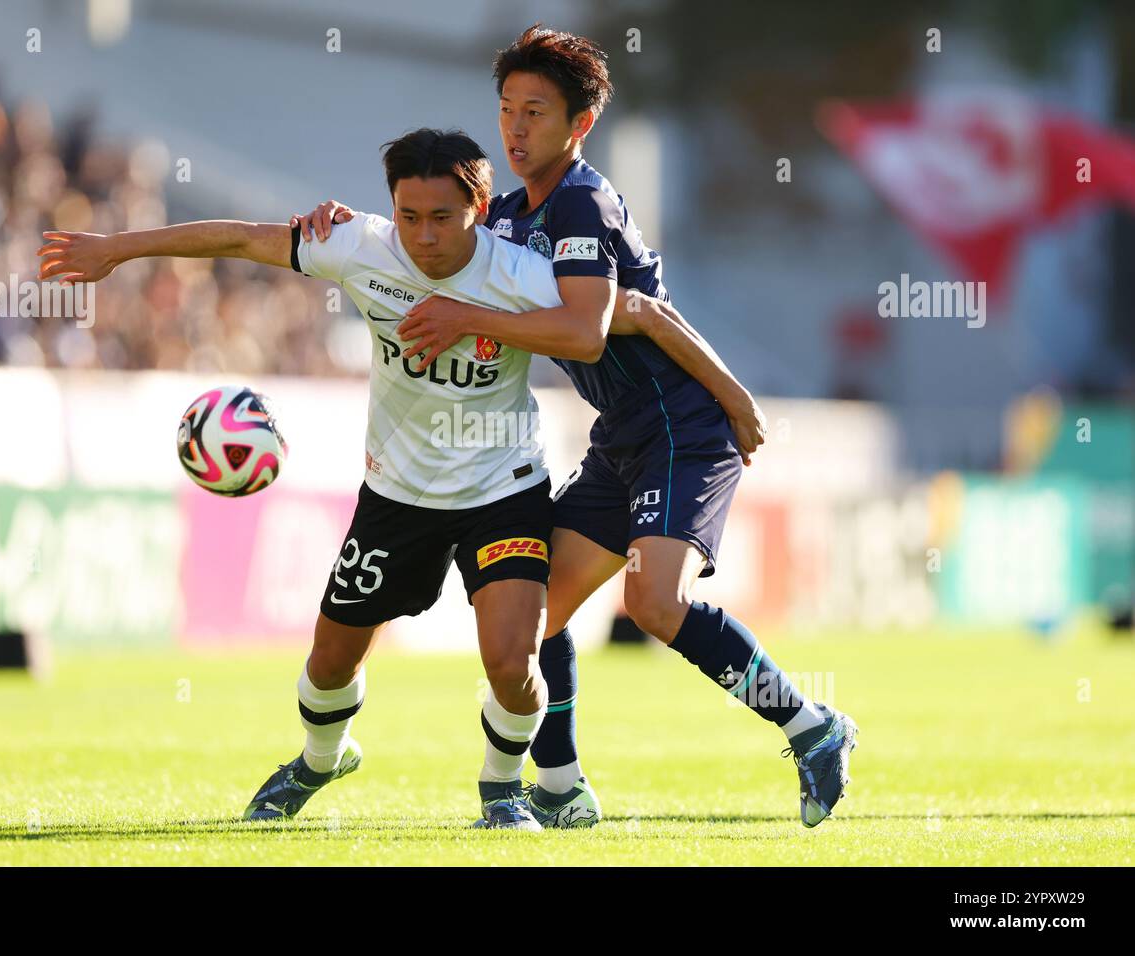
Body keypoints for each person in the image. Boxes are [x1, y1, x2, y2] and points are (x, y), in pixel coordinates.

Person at [37, 127, 732, 831]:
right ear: (390, 207)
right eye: (408, 216)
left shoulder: (524, 275)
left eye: (442, 218)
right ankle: (320, 757)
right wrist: (116, 249)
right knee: (330, 661)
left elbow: (631, 314)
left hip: (504, 489)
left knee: (513, 662)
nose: (423, 237)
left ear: (482, 207)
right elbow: (243, 240)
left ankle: (502, 790)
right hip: (397, 495)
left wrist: (730, 402)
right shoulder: (359, 246)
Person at [293, 26, 857, 829]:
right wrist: (354, 223)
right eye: (508, 111)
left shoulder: (583, 201)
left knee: (655, 604)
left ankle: (813, 726)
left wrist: (730, 400)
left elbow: (601, 327)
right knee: (538, 621)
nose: (516, 130)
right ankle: (560, 786)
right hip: (620, 438)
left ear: (578, 125)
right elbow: (630, 306)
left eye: (536, 113)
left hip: (678, 428)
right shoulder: (514, 215)